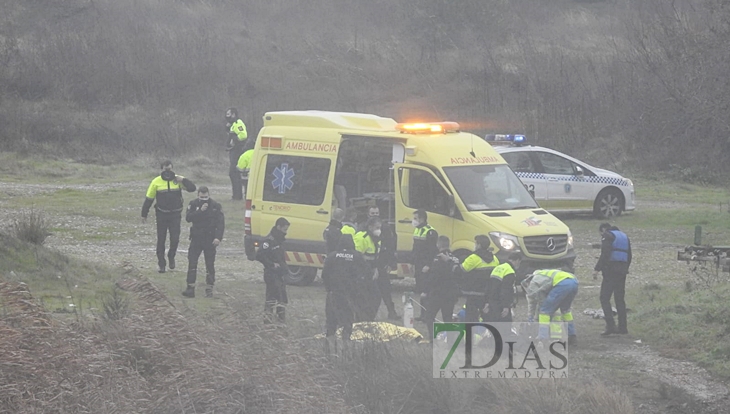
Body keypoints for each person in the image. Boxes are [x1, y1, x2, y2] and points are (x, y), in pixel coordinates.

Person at [141, 160, 196, 273]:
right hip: (161, 214)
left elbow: (192, 189)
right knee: (161, 239)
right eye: (165, 169)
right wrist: (144, 214)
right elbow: (149, 199)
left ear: (172, 169)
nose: (168, 172)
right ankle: (161, 264)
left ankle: (171, 256)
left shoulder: (178, 180)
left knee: (175, 239)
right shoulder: (156, 182)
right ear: (161, 169)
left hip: (175, 214)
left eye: (169, 169)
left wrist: (184, 180)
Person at [321, 234, 370, 341]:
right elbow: (365, 273)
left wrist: (328, 288)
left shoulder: (332, 256)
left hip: (334, 292)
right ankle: (346, 338)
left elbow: (324, 274)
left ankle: (330, 338)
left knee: (331, 318)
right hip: (350, 293)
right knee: (348, 317)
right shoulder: (357, 256)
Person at [182, 186, 225, 298]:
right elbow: (188, 218)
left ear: (209, 195)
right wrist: (200, 211)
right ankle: (190, 288)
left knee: (210, 264)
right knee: (192, 262)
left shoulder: (215, 206)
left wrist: (218, 238)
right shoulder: (193, 204)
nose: (204, 199)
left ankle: (209, 288)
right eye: (202, 197)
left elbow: (220, 224)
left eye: (206, 197)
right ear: (198, 195)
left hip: (210, 239)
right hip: (196, 238)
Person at [593, 223, 632, 335]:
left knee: (604, 298)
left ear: (603, 230)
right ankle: (623, 328)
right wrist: (625, 268)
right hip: (622, 270)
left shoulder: (608, 235)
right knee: (619, 299)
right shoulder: (625, 237)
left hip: (611, 270)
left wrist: (597, 269)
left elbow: (605, 254)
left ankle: (610, 326)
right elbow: (629, 256)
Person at [421, 235, 460, 342]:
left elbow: (435, 276)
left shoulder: (438, 258)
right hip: (451, 293)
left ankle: (433, 340)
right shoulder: (455, 258)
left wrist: (425, 290)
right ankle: (451, 342)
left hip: (438, 293)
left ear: (438, 245)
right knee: (448, 318)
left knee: (429, 317)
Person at [455, 235, 499, 323]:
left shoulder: (473, 258)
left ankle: (471, 334)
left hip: (473, 293)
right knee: (486, 316)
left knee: (470, 317)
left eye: (475, 243)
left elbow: (460, 270)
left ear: (478, 245)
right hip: (487, 293)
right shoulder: (494, 258)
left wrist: (451, 262)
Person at [256, 217, 290, 323]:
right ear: (278, 227)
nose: (286, 232)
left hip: (280, 273)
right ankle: (267, 321)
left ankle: (281, 321)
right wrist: (271, 264)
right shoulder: (269, 241)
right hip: (271, 274)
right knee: (271, 299)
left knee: (282, 299)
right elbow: (259, 255)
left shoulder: (280, 240)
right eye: (284, 230)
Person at [533, 268, 579, 345]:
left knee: (544, 311)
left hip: (562, 284)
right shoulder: (547, 273)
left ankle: (543, 338)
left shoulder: (536, 279)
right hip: (574, 282)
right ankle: (572, 335)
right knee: (565, 310)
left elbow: (538, 295)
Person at [353, 216, 385, 321]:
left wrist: (375, 269)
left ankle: (369, 319)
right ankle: (359, 320)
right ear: (370, 227)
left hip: (371, 272)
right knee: (361, 298)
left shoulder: (377, 239)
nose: (379, 230)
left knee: (376, 296)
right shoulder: (362, 237)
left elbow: (376, 256)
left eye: (380, 227)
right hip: (360, 272)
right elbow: (357, 257)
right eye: (377, 227)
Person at [411, 209, 438, 321]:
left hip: (426, 266)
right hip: (418, 265)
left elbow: (432, 251)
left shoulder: (430, 232)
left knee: (426, 290)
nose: (414, 221)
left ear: (422, 219)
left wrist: (428, 265)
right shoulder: (417, 230)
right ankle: (423, 314)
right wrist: (412, 263)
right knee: (421, 289)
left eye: (415, 218)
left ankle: (428, 314)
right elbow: (415, 248)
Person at [486, 252, 521, 323]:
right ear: (517, 260)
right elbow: (506, 290)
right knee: (505, 326)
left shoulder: (498, 267)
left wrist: (487, 302)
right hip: (501, 303)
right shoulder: (509, 271)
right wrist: (506, 306)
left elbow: (489, 286)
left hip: (492, 301)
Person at [225, 107, 248, 201]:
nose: (226, 116)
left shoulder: (238, 123)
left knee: (234, 173)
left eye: (228, 114)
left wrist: (235, 141)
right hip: (233, 151)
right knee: (233, 173)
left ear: (233, 114)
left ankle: (237, 196)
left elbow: (243, 135)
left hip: (237, 151)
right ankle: (236, 196)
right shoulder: (233, 124)